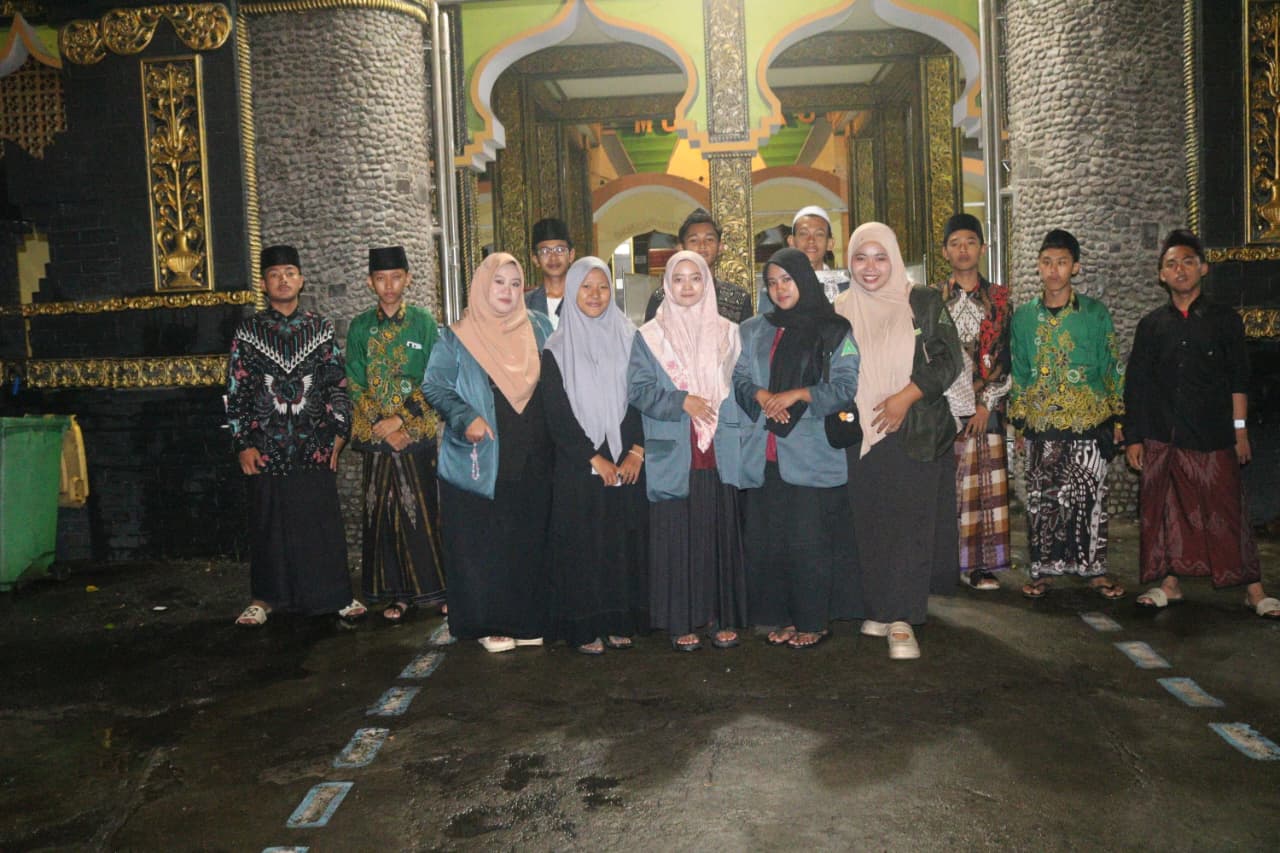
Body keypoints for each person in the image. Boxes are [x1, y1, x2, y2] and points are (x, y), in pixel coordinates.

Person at [1125, 230, 1278, 618]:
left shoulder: (1225, 321)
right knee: (1167, 514)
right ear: (1161, 274)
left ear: (1203, 269)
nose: (1180, 270)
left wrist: (1240, 429)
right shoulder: (1151, 325)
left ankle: (1254, 590)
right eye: (1172, 264)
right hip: (1164, 435)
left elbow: (1239, 379)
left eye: (1188, 262)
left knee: (1228, 512)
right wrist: (1134, 438)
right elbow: (1137, 385)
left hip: (1214, 435)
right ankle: (1170, 585)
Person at [836, 222, 962, 660]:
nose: (870, 268)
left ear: (894, 258)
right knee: (870, 521)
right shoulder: (841, 308)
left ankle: (904, 618)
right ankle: (881, 608)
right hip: (861, 435)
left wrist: (904, 398)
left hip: (911, 428)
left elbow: (949, 359)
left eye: (880, 257)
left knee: (910, 523)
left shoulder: (920, 301)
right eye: (860, 258)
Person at [423, 253, 555, 652]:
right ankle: (490, 622)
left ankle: (526, 618)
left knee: (528, 536)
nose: (507, 291)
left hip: (533, 450)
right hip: (482, 453)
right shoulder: (457, 336)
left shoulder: (539, 326)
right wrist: (465, 417)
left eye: (515, 284)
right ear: (482, 285)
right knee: (485, 541)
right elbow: (434, 385)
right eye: (499, 282)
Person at [227, 244, 365, 627]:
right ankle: (264, 600)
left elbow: (337, 385)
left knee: (319, 523)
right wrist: (243, 443)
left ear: (301, 280)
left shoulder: (319, 329)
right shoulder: (249, 331)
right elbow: (236, 390)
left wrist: (339, 434)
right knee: (267, 524)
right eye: (274, 274)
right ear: (264, 284)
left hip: (314, 445)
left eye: (289, 273)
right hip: (265, 446)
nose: (283, 280)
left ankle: (336, 595)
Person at [735, 248, 860, 649]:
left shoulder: (834, 329)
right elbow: (738, 377)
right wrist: (760, 395)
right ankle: (784, 618)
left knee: (809, 543)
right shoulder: (752, 329)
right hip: (764, 452)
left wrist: (798, 394)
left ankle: (813, 621)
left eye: (787, 280)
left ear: (804, 279)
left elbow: (845, 386)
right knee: (771, 543)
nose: (779, 289)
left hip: (811, 453)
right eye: (771, 282)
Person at [628, 249, 747, 652]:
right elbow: (639, 390)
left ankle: (717, 617)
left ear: (707, 281)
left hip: (719, 452)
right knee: (676, 538)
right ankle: (680, 620)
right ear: (666, 285)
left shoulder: (729, 333)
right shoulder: (649, 337)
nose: (687, 286)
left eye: (695, 278)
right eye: (678, 279)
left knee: (716, 535)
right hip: (676, 452)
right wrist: (682, 401)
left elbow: (742, 386)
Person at [1009, 229, 1126, 600]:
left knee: (1089, 499)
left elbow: (1111, 366)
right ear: (1038, 266)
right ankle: (1043, 571)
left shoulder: (1094, 314)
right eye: (1047, 262)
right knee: (1043, 502)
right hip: (1041, 424)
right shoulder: (1024, 318)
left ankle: (1094, 571)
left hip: (1089, 423)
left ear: (1075, 267)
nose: (1053, 270)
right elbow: (1020, 372)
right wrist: (1018, 425)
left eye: (1061, 262)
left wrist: (1119, 419)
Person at [543, 257, 650, 654]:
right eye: (586, 287)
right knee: (583, 545)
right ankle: (586, 626)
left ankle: (620, 620)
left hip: (627, 456)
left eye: (602, 286)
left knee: (621, 542)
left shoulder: (631, 338)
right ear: (572, 291)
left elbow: (641, 397)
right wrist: (593, 457)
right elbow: (556, 414)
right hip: (580, 463)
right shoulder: (555, 349)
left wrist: (637, 450)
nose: (595, 295)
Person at [345, 245, 444, 622]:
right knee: (384, 513)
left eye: (396, 277)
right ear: (370, 282)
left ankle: (436, 591)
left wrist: (401, 420)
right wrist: (383, 426)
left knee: (422, 510)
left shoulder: (423, 322)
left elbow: (434, 376)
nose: (389, 285)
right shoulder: (359, 327)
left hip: (416, 431)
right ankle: (397, 596)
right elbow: (355, 382)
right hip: (377, 437)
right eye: (381, 279)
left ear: (408, 279)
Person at [937, 214, 1013, 591]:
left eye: (970, 241)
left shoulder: (1001, 299)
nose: (963, 249)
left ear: (982, 248)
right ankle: (947, 564)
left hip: (987, 408)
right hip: (944, 409)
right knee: (947, 489)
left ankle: (982, 565)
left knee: (985, 488)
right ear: (945, 252)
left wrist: (985, 404)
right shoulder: (932, 299)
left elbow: (1008, 354)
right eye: (955, 243)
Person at [644, 208, 753, 323]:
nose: (702, 245)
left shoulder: (737, 298)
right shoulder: (662, 297)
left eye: (709, 239)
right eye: (694, 240)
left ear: (720, 247)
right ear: (681, 248)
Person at [759, 205, 850, 312]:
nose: (811, 240)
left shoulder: (845, 287)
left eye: (819, 234)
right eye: (803, 234)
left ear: (830, 243)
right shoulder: (775, 288)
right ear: (791, 242)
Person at [526, 217, 575, 328]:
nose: (553, 257)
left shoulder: (586, 298)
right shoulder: (525, 304)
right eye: (545, 251)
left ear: (571, 255)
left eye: (559, 250)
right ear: (535, 259)